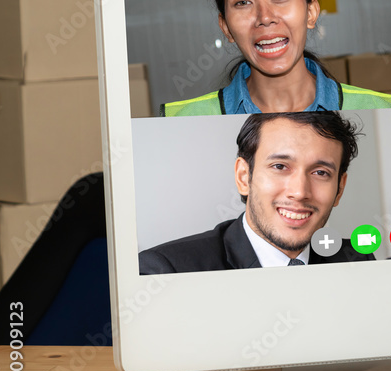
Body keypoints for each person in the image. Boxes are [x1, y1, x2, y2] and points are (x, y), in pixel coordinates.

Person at [139, 112, 373, 273]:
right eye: (280, 167)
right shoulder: (167, 269)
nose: (300, 192)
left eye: (320, 172)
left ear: (340, 188)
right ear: (244, 177)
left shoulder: (359, 259)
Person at [161, 0, 391, 116]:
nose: (265, 17)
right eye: (243, 2)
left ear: (311, 12)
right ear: (226, 28)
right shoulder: (184, 119)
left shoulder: (379, 111)